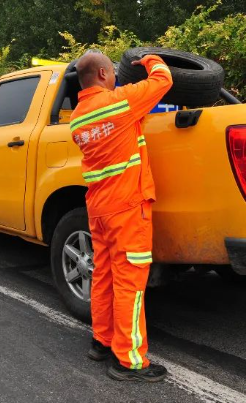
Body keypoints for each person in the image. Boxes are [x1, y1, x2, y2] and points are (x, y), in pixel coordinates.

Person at [70, 49, 173, 382]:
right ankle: (129, 360)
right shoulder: (119, 103)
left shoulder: (78, 119)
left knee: (104, 277)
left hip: (99, 208)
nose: (117, 77)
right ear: (101, 75)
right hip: (128, 207)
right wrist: (150, 58)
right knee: (130, 283)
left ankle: (101, 342)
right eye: (113, 72)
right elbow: (164, 80)